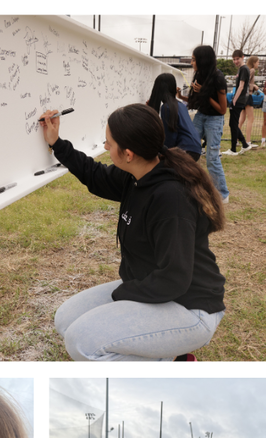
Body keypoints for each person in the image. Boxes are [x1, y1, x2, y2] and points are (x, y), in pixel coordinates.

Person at [43, 103, 226, 361]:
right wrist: (56, 143)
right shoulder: (138, 174)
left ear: (128, 153)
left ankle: (173, 361)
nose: (105, 147)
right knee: (65, 321)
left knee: (81, 343)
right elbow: (95, 175)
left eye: (108, 142)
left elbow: (174, 277)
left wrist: (120, 297)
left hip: (190, 307)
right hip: (151, 288)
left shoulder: (170, 199)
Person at [186, 45, 229, 201]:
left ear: (202, 60)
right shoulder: (200, 75)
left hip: (215, 119)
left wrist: (203, 93)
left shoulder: (218, 78)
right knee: (188, 149)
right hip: (201, 115)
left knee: (212, 158)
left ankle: (222, 195)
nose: (191, 62)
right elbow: (195, 102)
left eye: (193, 59)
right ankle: (188, 187)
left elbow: (222, 109)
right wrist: (179, 96)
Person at [147, 73, 203, 159]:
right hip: (195, 148)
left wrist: (163, 154)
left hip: (185, 150)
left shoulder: (167, 107)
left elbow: (170, 138)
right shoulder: (179, 105)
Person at [223, 50, 255, 155]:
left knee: (233, 123)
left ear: (243, 57)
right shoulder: (242, 69)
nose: (235, 61)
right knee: (233, 123)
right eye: (234, 59)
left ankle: (233, 149)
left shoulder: (244, 69)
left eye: (237, 59)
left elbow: (241, 86)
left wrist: (234, 100)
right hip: (239, 100)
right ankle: (244, 144)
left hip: (239, 100)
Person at [239, 56, 260, 139]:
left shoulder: (247, 70)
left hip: (244, 96)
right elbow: (245, 83)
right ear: (254, 63)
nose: (258, 64)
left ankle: (236, 139)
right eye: (258, 62)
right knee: (251, 119)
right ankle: (248, 141)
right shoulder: (252, 70)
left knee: (242, 118)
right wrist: (254, 86)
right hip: (248, 95)